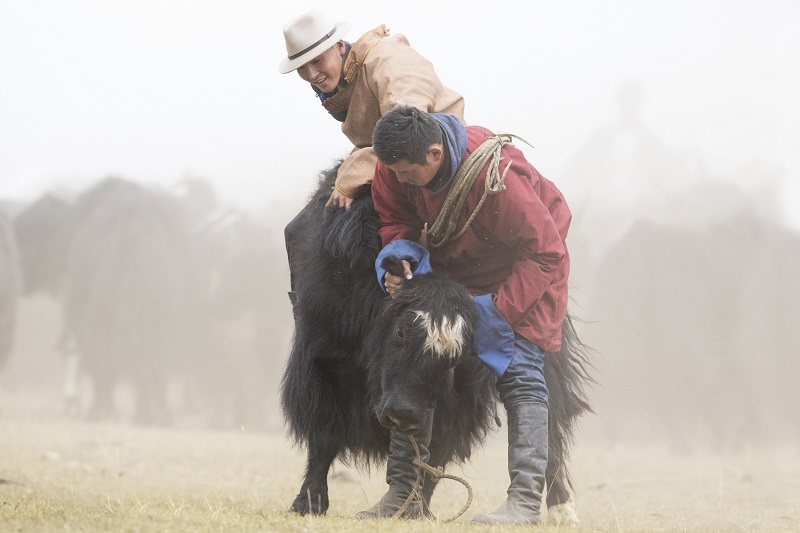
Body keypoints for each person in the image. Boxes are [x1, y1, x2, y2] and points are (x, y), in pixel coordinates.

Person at [370, 105, 572, 525]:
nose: (400, 179)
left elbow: (547, 252)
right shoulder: (394, 164)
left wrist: (496, 314)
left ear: (434, 155)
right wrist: (400, 256)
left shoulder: (498, 179)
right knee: (417, 351)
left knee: (521, 368)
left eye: (407, 173)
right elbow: (395, 217)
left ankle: (525, 502)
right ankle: (405, 495)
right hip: (457, 267)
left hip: (528, 269)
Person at [278, 10, 465, 302]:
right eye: (302, 66)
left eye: (317, 60)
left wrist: (353, 174)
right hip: (389, 167)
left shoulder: (391, 61)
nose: (312, 74)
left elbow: (407, 129)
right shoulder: (344, 77)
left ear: (339, 46)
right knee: (299, 230)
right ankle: (308, 318)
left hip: (431, 163)